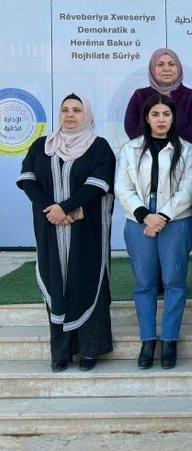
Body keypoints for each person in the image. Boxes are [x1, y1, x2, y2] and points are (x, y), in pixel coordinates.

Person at [17, 93, 115, 373]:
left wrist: (65, 207)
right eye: (65, 110)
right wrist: (52, 209)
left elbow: (97, 185)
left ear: (87, 115)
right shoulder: (42, 146)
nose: (70, 115)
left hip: (87, 231)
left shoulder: (98, 147)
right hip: (50, 228)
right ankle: (60, 352)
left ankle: (89, 350)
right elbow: (28, 181)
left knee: (87, 281)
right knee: (55, 283)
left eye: (77, 110)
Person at [116, 94, 192, 370]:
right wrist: (145, 216)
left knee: (175, 280)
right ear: (146, 118)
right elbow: (122, 188)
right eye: (155, 114)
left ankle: (170, 340)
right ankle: (148, 340)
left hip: (175, 219)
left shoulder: (186, 150)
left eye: (166, 114)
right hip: (139, 220)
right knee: (144, 283)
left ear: (173, 118)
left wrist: (162, 216)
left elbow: (188, 189)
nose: (161, 120)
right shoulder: (130, 149)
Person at [124, 48, 192, 147]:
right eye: (160, 64)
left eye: (171, 64)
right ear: (152, 68)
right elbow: (131, 126)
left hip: (183, 152)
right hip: (145, 152)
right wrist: (151, 147)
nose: (166, 68)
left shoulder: (191, 96)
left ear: (178, 68)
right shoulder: (140, 95)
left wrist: (172, 148)